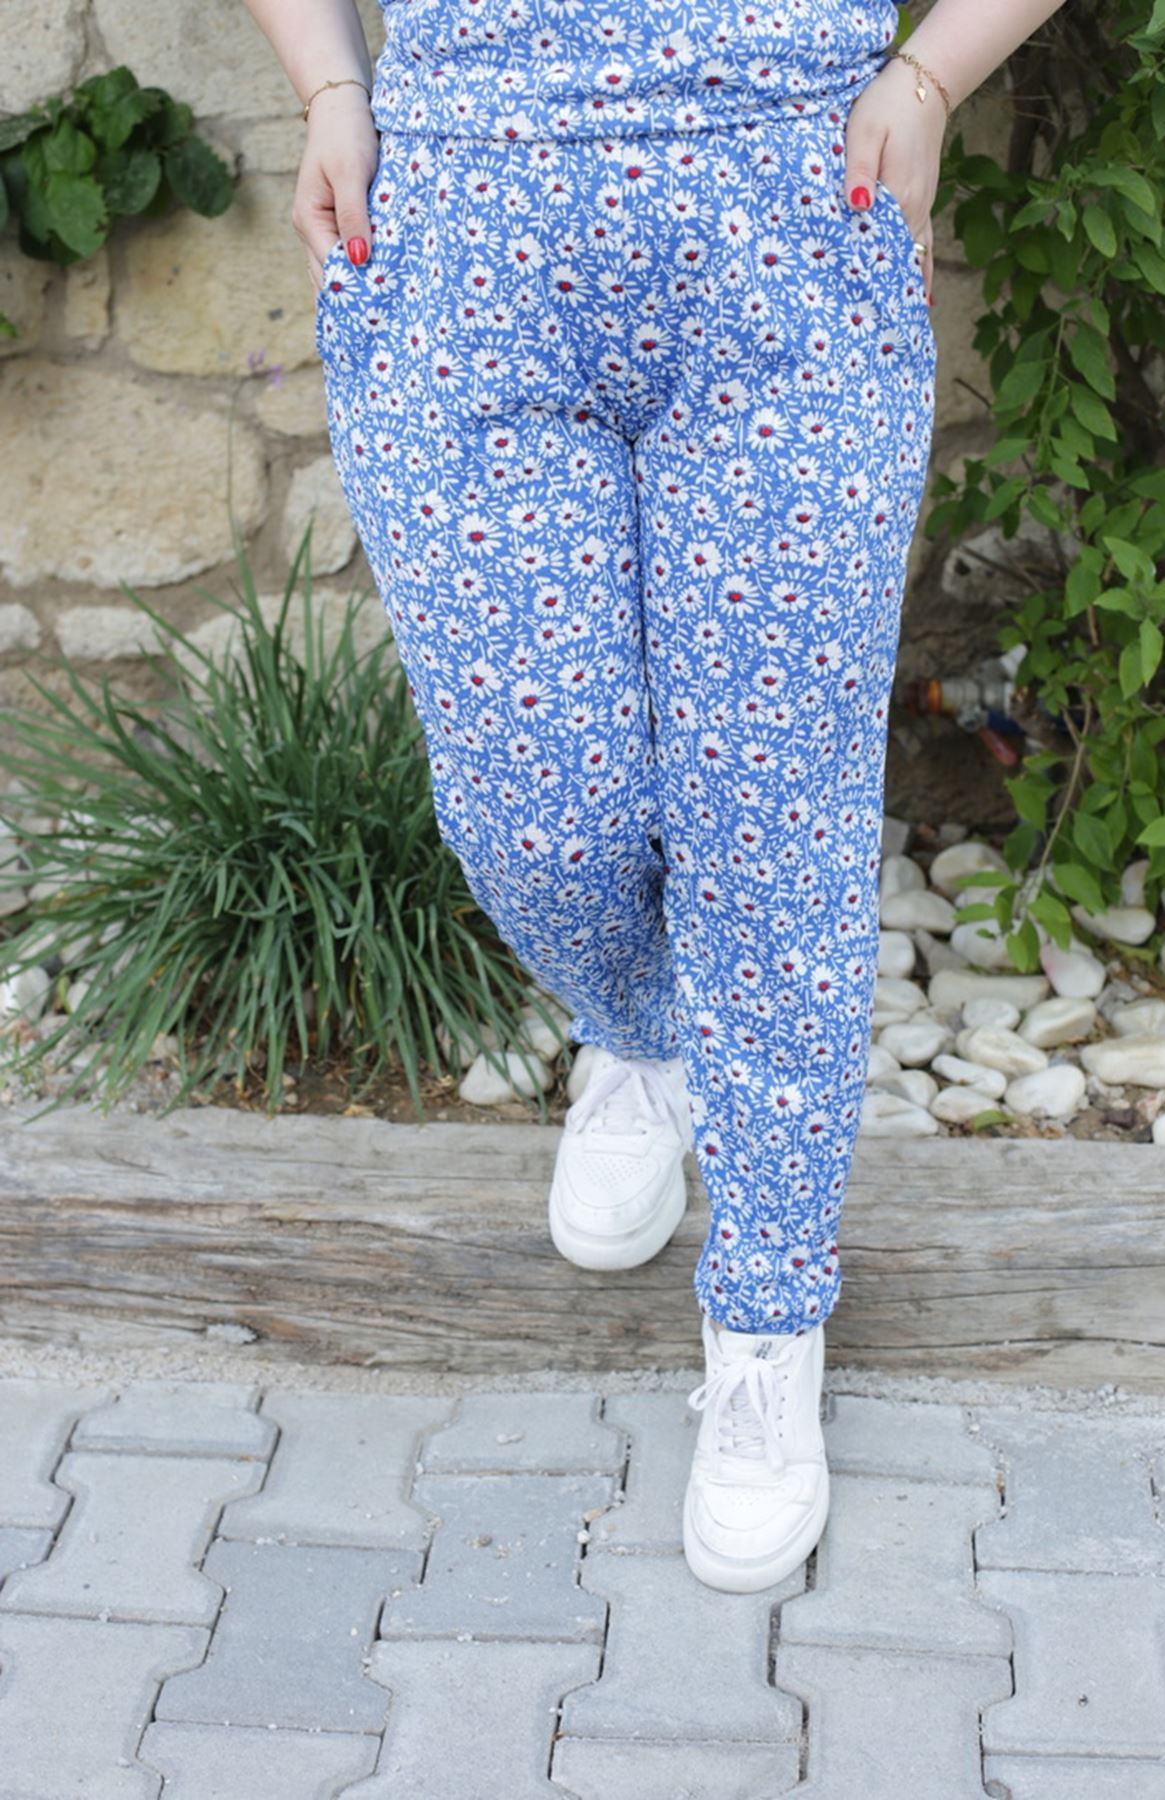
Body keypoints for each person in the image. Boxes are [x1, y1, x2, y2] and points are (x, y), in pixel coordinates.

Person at [244, 0, 1068, 1595]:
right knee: (533, 810)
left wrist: (930, 75)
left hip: (786, 216)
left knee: (773, 825)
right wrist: (332, 85)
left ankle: (767, 1323)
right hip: (462, 223)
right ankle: (638, 1028)